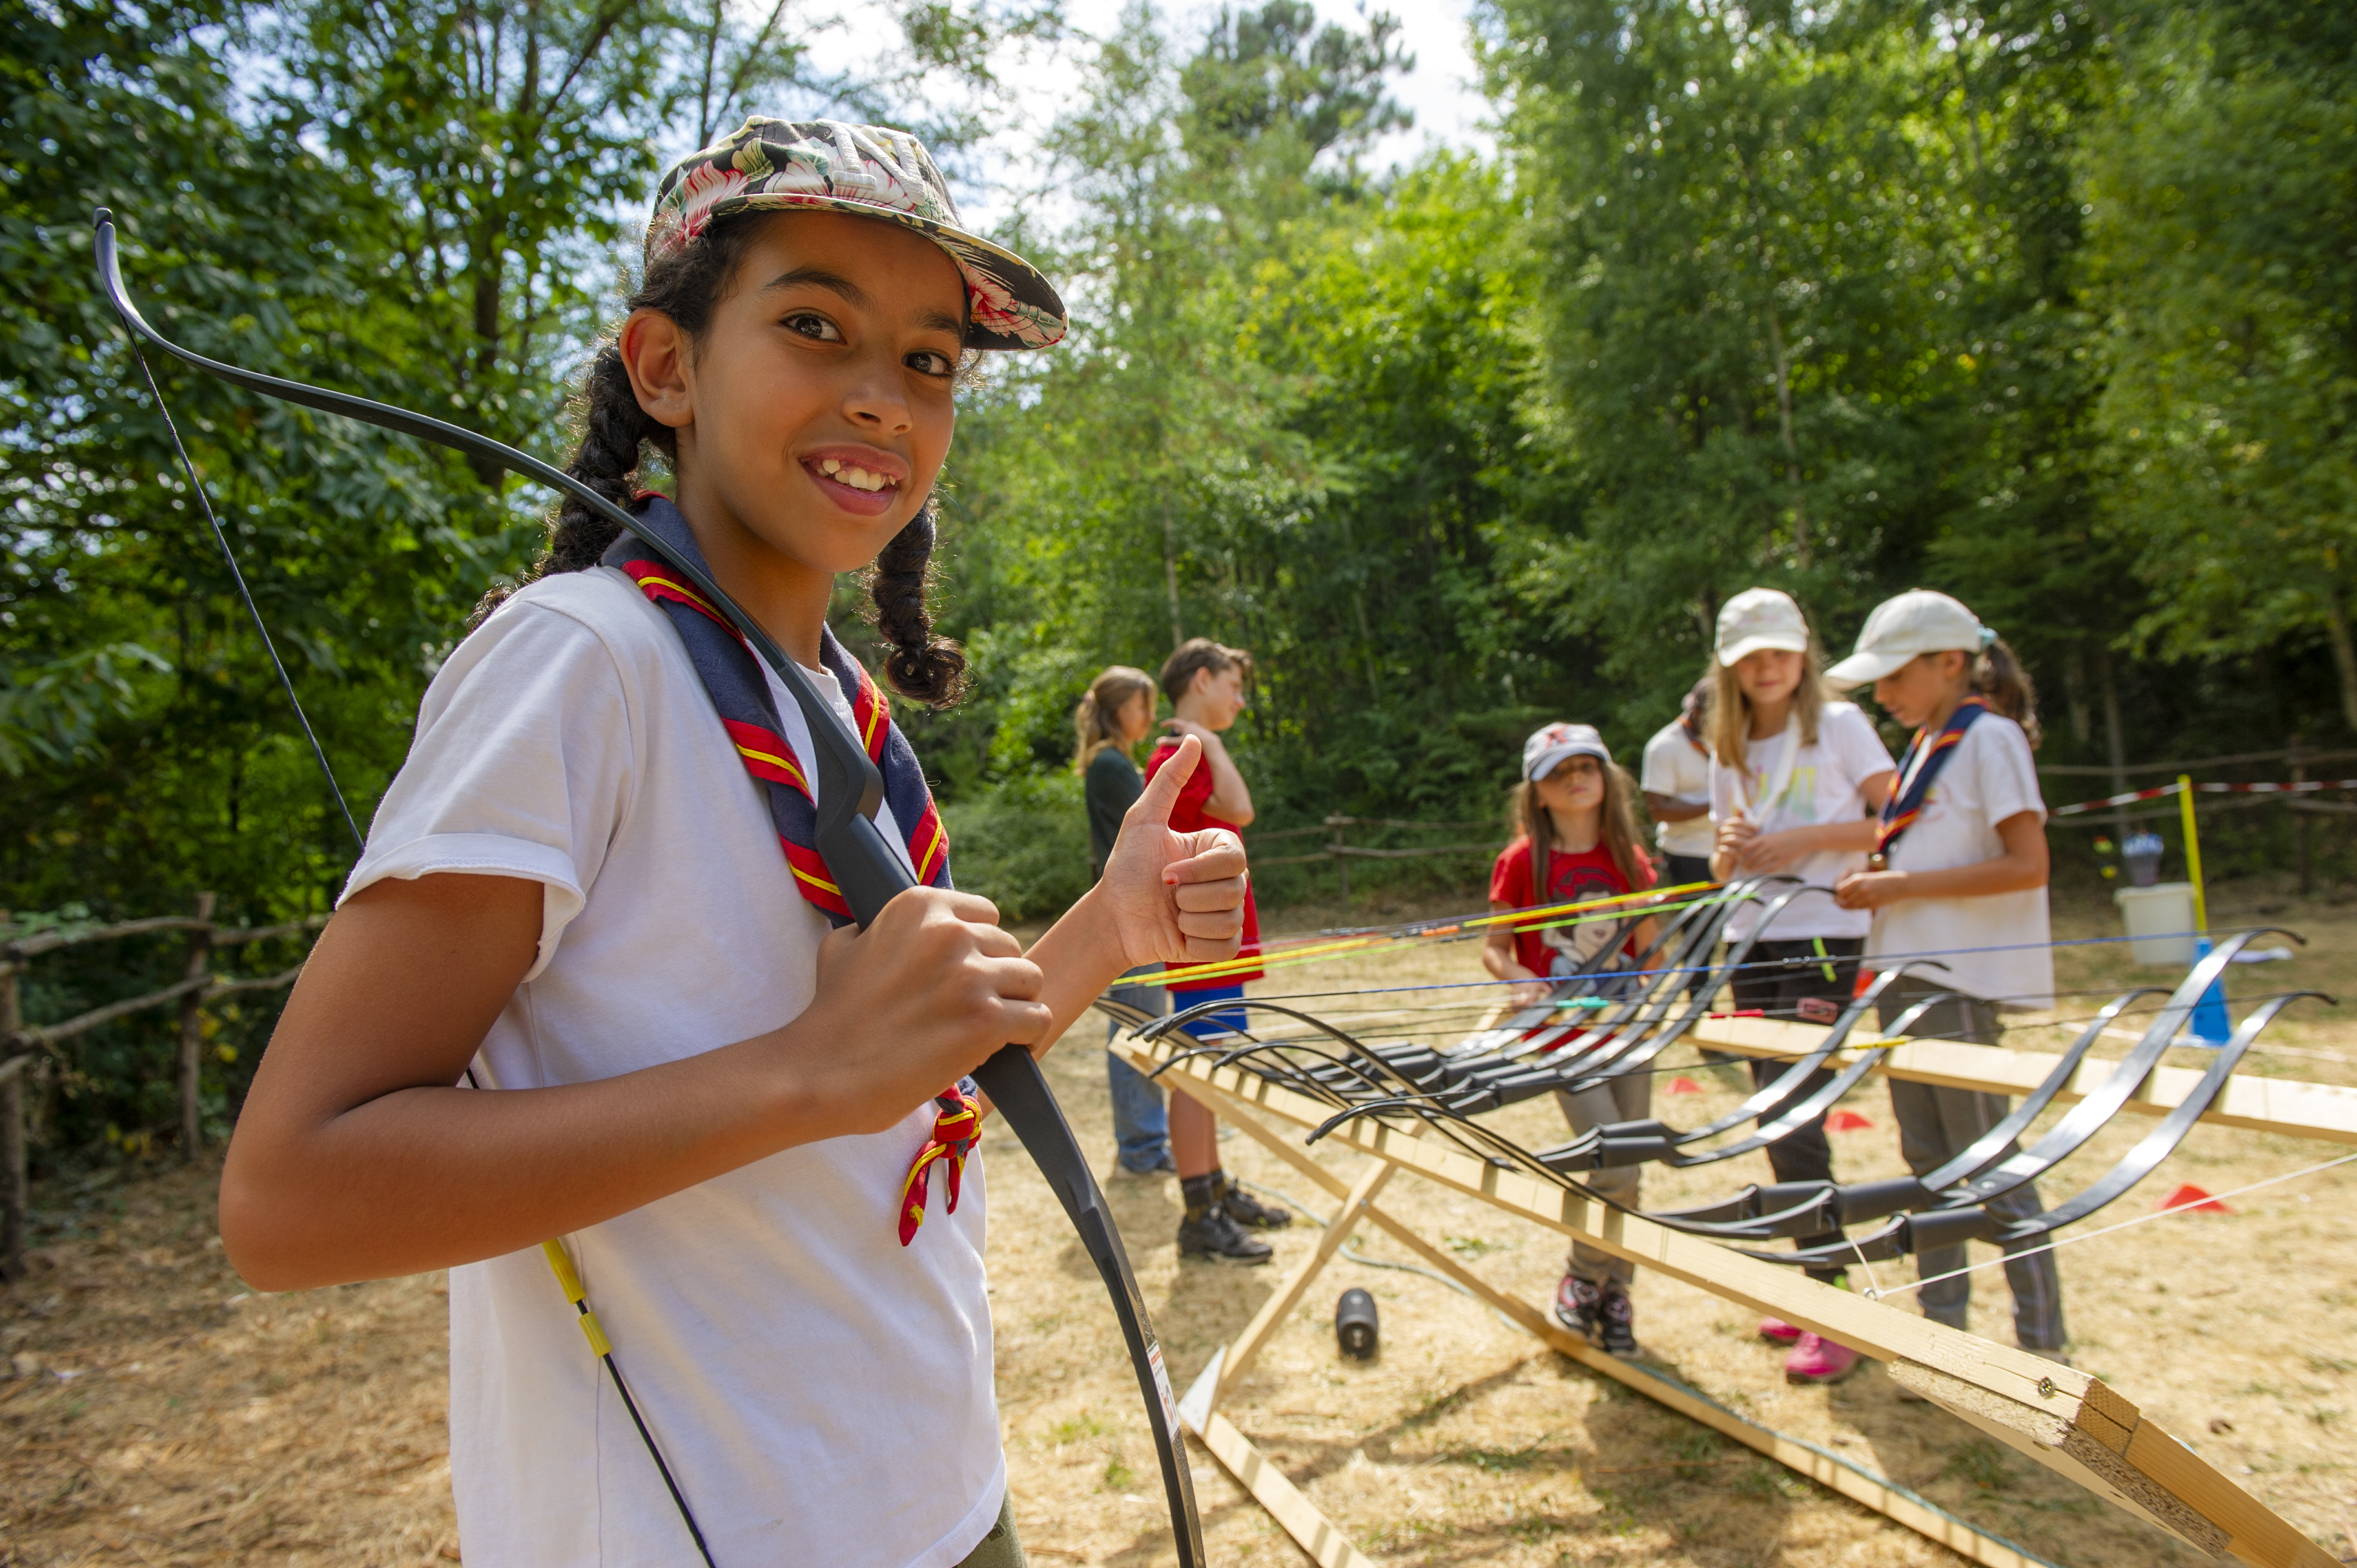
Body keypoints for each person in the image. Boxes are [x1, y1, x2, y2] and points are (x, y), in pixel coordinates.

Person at [213, 119, 1250, 1568]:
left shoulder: (830, 696)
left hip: (933, 1492)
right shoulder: (579, 665)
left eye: (932, 359)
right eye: (815, 324)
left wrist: (1113, 927)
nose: (885, 398)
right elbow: (289, 1198)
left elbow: (905, 1067)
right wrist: (802, 1074)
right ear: (667, 367)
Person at [1831, 589, 2067, 1378]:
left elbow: (2027, 865)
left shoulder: (1990, 740)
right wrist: (1882, 879)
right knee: (1927, 1168)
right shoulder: (1926, 747)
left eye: (1894, 677)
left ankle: (2044, 1352)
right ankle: (1942, 1341)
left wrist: (1900, 889)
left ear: (1950, 664)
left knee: (1988, 1168)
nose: (1883, 694)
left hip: (1955, 985)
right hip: (1905, 977)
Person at [1705, 587, 1896, 1385]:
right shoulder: (1730, 743)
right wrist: (1731, 847)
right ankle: (1819, 1284)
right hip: (1754, 939)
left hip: (1826, 934)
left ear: (1804, 654)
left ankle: (1837, 1305)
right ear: (1730, 670)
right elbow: (1722, 865)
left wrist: (1804, 841)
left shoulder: (1844, 726)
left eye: (1780, 652)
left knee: (1801, 1116)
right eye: (1752, 657)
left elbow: (1898, 820)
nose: (1768, 667)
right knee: (1771, 1112)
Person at [1482, 723, 1659, 1359]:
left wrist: (1656, 986)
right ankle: (1585, 1279)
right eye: (1560, 772)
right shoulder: (1519, 861)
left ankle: (1615, 1292)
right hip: (1559, 1035)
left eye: (1587, 766)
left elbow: (1654, 946)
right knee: (1613, 1160)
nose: (1576, 778)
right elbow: (1496, 950)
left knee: (1628, 1163)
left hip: (1627, 1033)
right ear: (1537, 792)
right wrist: (1519, 979)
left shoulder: (1629, 860)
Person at [1145, 637, 1293, 1262]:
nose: (1239, 698)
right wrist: (1217, 743)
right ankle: (1199, 1214)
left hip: (1213, 942)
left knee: (1208, 1070)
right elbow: (1240, 808)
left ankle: (1212, 1188)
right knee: (1196, 1072)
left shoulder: (1187, 752)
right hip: (1201, 942)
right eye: (1232, 685)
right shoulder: (1184, 754)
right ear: (1201, 681)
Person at [1076, 665, 1177, 1174]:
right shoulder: (1111, 766)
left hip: (1131, 911)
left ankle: (1146, 1141)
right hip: (1130, 914)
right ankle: (1142, 1146)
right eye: (1143, 706)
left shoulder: (1112, 763)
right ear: (1120, 711)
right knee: (1136, 1027)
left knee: (1139, 1023)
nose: (1150, 716)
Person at [1641, 677, 1717, 888]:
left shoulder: (1724, 738)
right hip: (1687, 855)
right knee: (1698, 922)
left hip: (1728, 852)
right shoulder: (1664, 747)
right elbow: (1659, 810)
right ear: (1698, 713)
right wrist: (1718, 805)